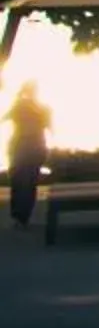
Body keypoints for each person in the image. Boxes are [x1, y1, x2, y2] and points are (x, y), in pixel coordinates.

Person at [8, 83, 48, 229]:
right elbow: (50, 126)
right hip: (35, 148)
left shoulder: (19, 107)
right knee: (30, 183)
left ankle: (19, 216)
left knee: (18, 182)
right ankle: (23, 217)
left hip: (21, 147)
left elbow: (5, 118)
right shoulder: (42, 109)